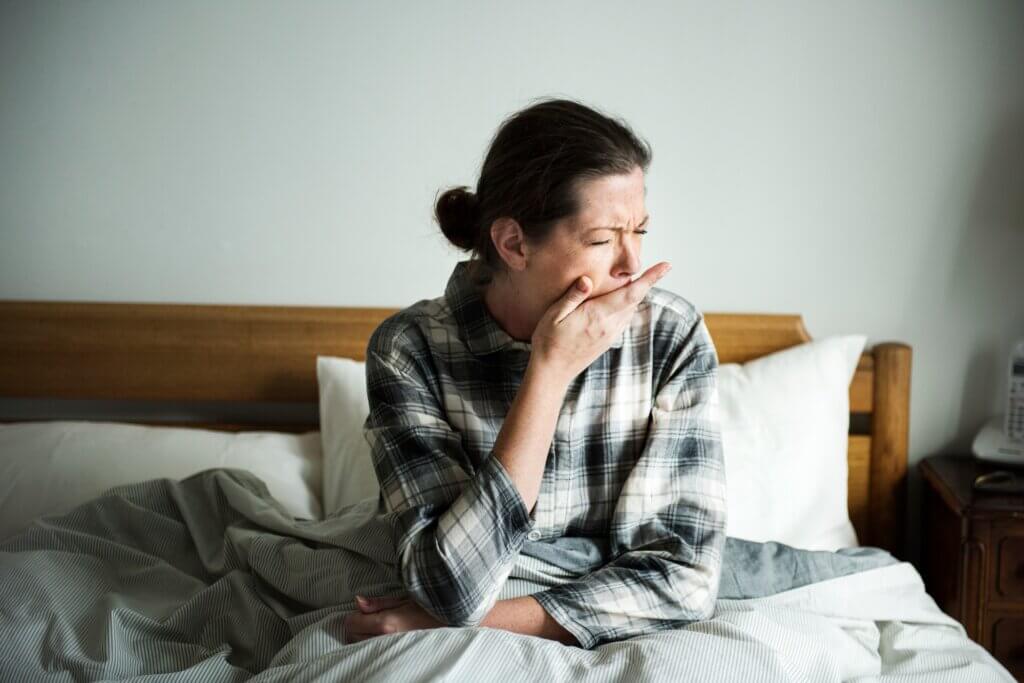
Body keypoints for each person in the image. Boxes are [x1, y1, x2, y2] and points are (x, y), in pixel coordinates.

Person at [343, 97, 727, 649]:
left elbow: (685, 581)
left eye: (639, 230)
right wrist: (548, 372)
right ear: (513, 243)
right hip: (480, 592)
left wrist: (452, 623)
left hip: (520, 619)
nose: (630, 265)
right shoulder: (409, 349)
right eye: (601, 240)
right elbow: (448, 587)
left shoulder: (670, 335)